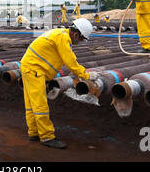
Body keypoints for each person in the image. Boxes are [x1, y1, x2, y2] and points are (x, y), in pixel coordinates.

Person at [20, 18, 98, 149]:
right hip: (34, 70)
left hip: (30, 68)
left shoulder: (60, 34)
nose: (80, 42)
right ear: (76, 34)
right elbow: (71, 62)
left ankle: (34, 132)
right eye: (81, 39)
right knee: (40, 105)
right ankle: (47, 137)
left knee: (31, 103)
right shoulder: (63, 38)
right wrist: (87, 75)